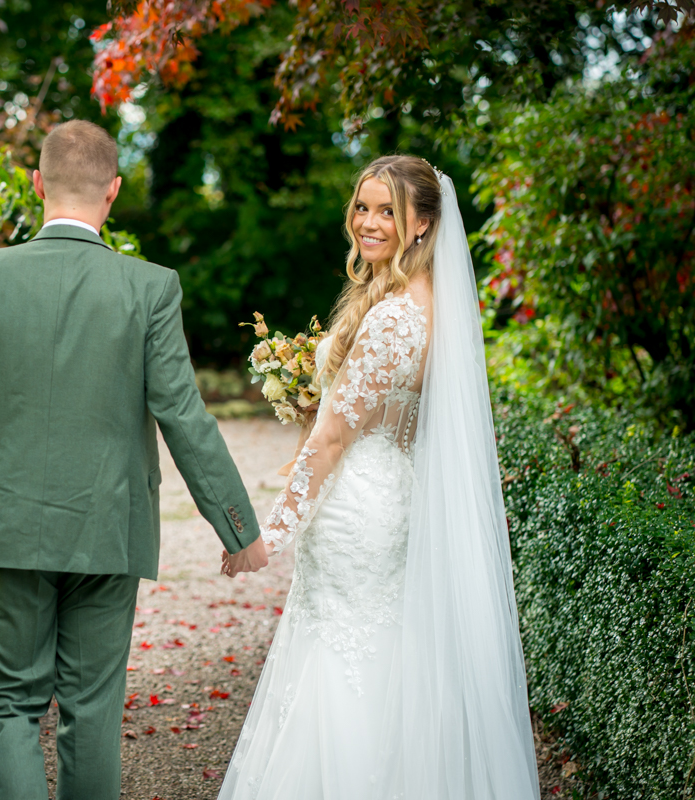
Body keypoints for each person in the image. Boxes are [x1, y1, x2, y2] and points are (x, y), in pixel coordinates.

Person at [0, 120, 265, 800]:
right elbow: (184, 414)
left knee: (7, 706)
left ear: (36, 184)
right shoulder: (150, 288)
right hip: (106, 526)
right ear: (114, 191)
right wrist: (237, 529)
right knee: (92, 710)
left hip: (2, 529)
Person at [219, 155, 540, 799]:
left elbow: (333, 437)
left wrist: (266, 536)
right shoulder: (430, 306)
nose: (368, 222)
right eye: (363, 207)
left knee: (338, 662)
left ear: (422, 224)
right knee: (384, 655)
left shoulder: (394, 317)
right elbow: (399, 421)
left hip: (354, 510)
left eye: (387, 211)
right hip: (391, 494)